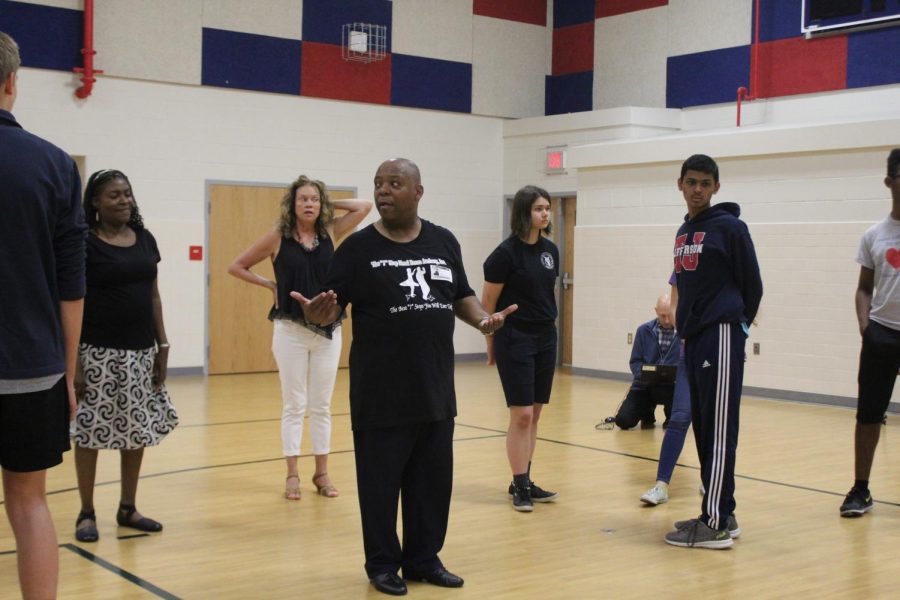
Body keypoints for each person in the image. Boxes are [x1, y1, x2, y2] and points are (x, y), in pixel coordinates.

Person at [291, 158, 515, 596]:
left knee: (431, 483)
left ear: (418, 192)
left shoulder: (443, 241)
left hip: (434, 387)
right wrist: (320, 313)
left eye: (395, 183)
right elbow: (333, 304)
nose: (383, 192)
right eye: (378, 184)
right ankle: (381, 565)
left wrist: (484, 321)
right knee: (380, 485)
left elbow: (462, 296)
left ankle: (423, 559)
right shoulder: (356, 249)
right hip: (380, 392)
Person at [0, 31, 86, 598]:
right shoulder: (54, 165)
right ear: (12, 83)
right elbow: (71, 287)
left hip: (31, 365)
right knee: (30, 503)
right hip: (33, 367)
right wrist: (69, 372)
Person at [228, 176, 371, 500]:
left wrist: (328, 204)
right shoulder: (278, 237)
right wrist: (268, 284)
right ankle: (291, 474)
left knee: (321, 405)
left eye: (314, 199)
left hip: (328, 330)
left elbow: (365, 206)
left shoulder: (331, 231)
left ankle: (321, 473)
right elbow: (236, 266)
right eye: (303, 199)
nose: (309, 204)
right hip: (290, 331)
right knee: (295, 404)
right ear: (291, 205)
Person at [72, 170, 179, 543]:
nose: (124, 200)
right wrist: (75, 362)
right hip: (95, 354)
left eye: (127, 194)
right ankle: (86, 512)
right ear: (96, 203)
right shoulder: (85, 243)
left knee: (136, 432)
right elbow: (72, 302)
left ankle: (127, 508)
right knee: (89, 434)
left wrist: (162, 346)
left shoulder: (145, 239)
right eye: (114, 195)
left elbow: (153, 296)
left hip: (140, 353)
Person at [664, 154, 762, 549]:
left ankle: (715, 523)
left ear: (716, 187)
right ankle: (723, 509)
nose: (698, 190)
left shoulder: (731, 228)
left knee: (719, 429)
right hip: (695, 338)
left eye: (706, 183)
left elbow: (752, 285)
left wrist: (736, 324)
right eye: (692, 182)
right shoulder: (684, 231)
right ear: (680, 185)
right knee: (704, 427)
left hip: (720, 335)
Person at [482, 185, 560, 512]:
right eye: (539, 208)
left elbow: (545, 293)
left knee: (536, 412)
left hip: (545, 337)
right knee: (522, 414)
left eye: (548, 208)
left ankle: (525, 478)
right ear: (524, 212)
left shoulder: (550, 251)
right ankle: (518, 484)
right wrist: (491, 343)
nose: (545, 213)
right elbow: (488, 304)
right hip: (515, 337)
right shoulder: (505, 254)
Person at [839, 148, 900, 518]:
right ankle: (860, 489)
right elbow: (864, 288)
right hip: (882, 336)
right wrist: (866, 327)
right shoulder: (875, 235)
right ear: (889, 182)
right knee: (868, 415)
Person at [639, 280, 703, 508]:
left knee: (709, 421)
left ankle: (711, 479)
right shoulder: (683, 256)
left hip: (714, 351)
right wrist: (684, 332)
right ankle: (661, 485)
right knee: (679, 418)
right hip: (690, 351)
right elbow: (675, 303)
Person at [614, 295, 680, 430]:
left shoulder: (684, 333)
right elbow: (635, 361)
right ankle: (647, 412)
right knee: (623, 421)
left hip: (674, 388)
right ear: (656, 311)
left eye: (669, 315)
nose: (667, 320)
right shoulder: (643, 331)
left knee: (675, 424)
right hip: (644, 386)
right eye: (663, 316)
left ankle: (670, 416)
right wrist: (642, 375)